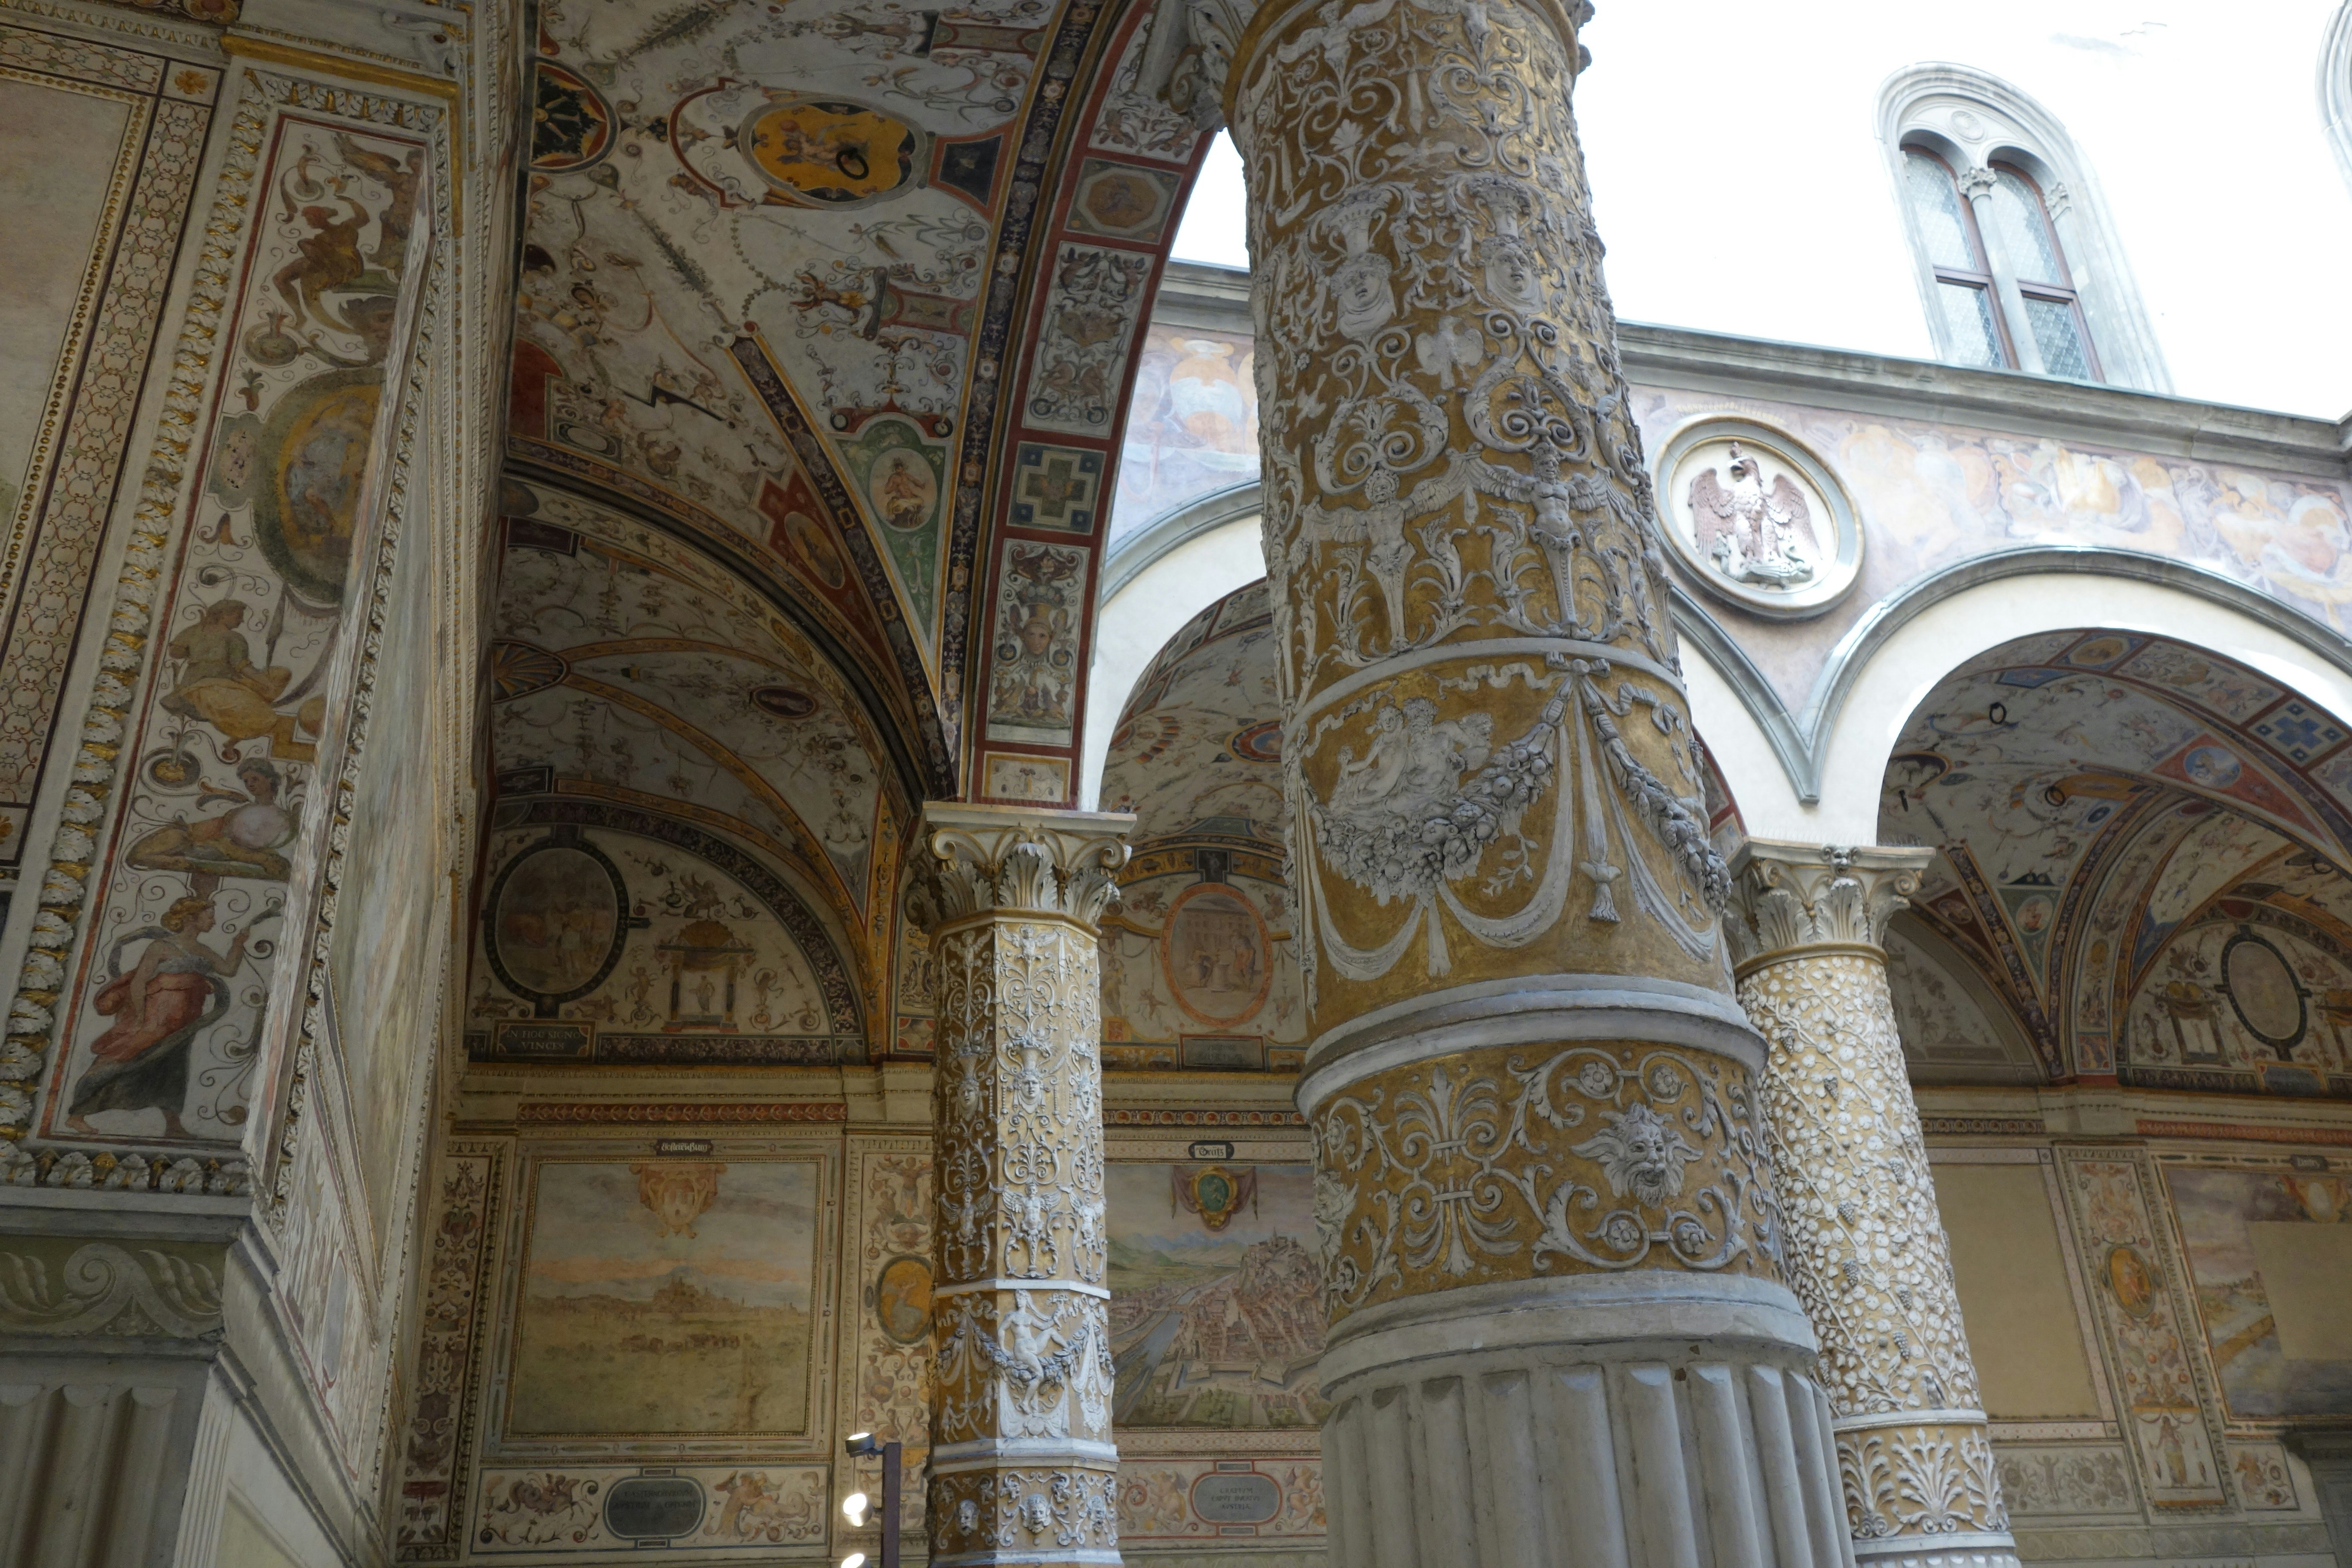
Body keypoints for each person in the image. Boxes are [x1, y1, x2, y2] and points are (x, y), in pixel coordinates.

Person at [64, 896, 252, 1138]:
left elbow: (229, 969)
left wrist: (238, 943)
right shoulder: (161, 947)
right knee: (119, 1058)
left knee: (172, 1069)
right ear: (191, 919)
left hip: (184, 1023)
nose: (213, 922)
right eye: (209, 916)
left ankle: (173, 1125)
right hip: (156, 1018)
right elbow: (139, 982)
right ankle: (77, 1115)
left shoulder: (203, 950)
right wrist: (140, 1017)